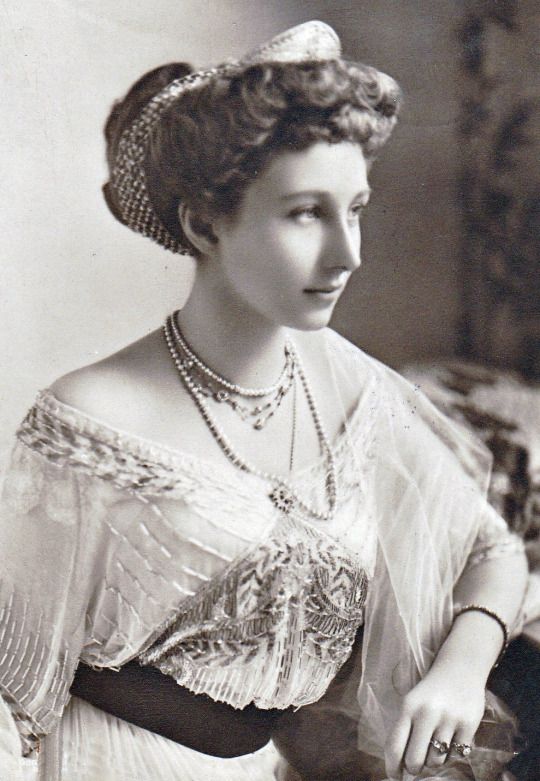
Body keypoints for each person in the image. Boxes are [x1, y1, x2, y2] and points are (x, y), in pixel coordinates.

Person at [0, 20, 530, 781]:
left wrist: (459, 669)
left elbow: (492, 549)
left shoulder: (350, 384)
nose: (349, 254)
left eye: (356, 208)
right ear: (204, 221)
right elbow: (12, 696)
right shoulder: (85, 420)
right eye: (306, 213)